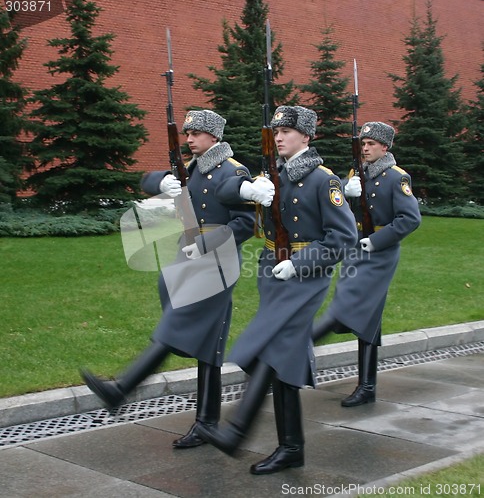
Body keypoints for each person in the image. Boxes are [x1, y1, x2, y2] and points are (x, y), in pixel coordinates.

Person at [81, 109, 274, 449]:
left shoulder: (234, 172)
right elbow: (145, 179)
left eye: (196, 134)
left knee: (175, 326)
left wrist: (204, 244)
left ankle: (120, 390)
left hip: (215, 264)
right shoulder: (194, 170)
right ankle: (206, 422)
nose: (189, 139)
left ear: (213, 136)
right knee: (208, 346)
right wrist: (160, 183)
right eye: (187, 134)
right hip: (185, 259)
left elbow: (247, 225)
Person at [197, 106, 358, 474]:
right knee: (284, 356)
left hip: (304, 277)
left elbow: (344, 239)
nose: (279, 136)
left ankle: (237, 432)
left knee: (263, 348)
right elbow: (222, 192)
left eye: (287, 130)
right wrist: (247, 187)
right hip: (272, 273)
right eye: (276, 130)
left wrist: (299, 263)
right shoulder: (272, 176)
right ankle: (291, 448)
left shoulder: (323, 180)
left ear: (306, 136)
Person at [312, 121, 421, 407]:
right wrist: (348, 195)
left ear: (384, 147)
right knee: (366, 316)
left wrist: (376, 241)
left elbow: (410, 219)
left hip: (380, 254)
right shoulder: (357, 175)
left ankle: (366, 385)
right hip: (355, 250)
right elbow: (346, 214)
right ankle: (367, 386)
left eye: (371, 144)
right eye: (363, 143)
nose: (365, 148)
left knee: (356, 310)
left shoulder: (397, 178)